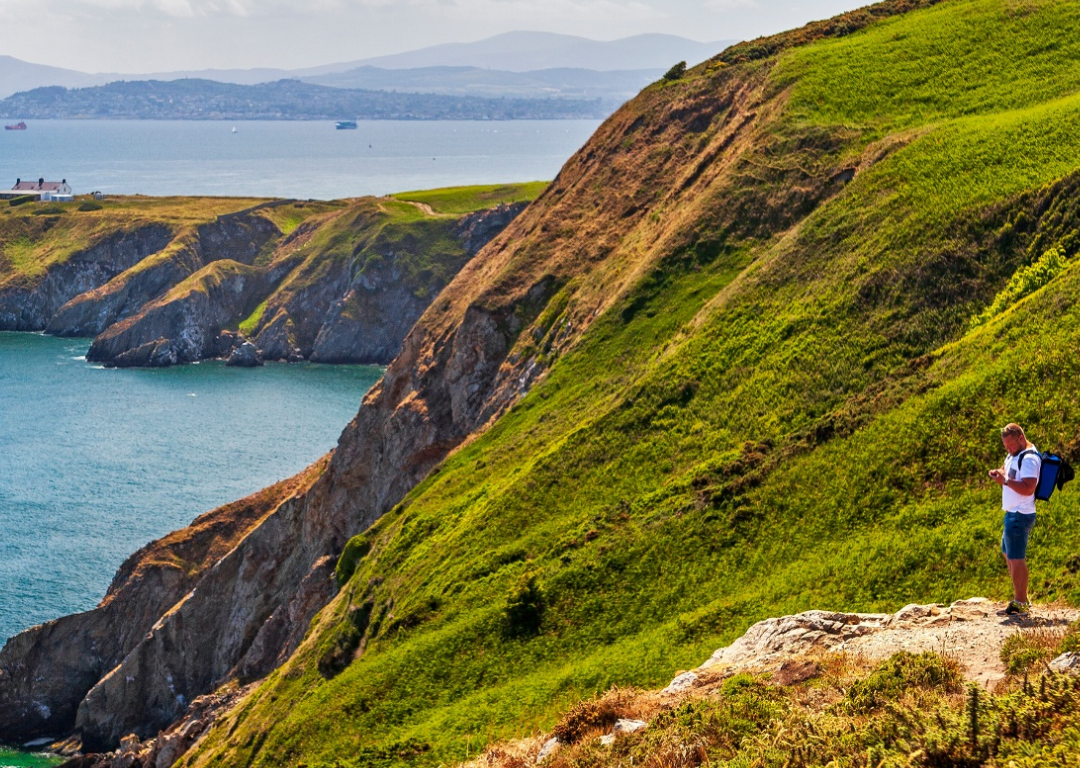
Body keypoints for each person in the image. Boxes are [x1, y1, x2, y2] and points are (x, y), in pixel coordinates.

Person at [988, 423, 1041, 615]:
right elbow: (1007, 469)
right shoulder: (1015, 454)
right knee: (1007, 552)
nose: (1008, 449)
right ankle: (1020, 597)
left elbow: (1028, 488)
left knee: (1016, 557)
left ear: (1020, 438)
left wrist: (1006, 481)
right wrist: (1000, 473)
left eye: (1010, 445)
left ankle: (1020, 602)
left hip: (1021, 514)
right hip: (1012, 513)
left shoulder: (1029, 460)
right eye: (1005, 447)